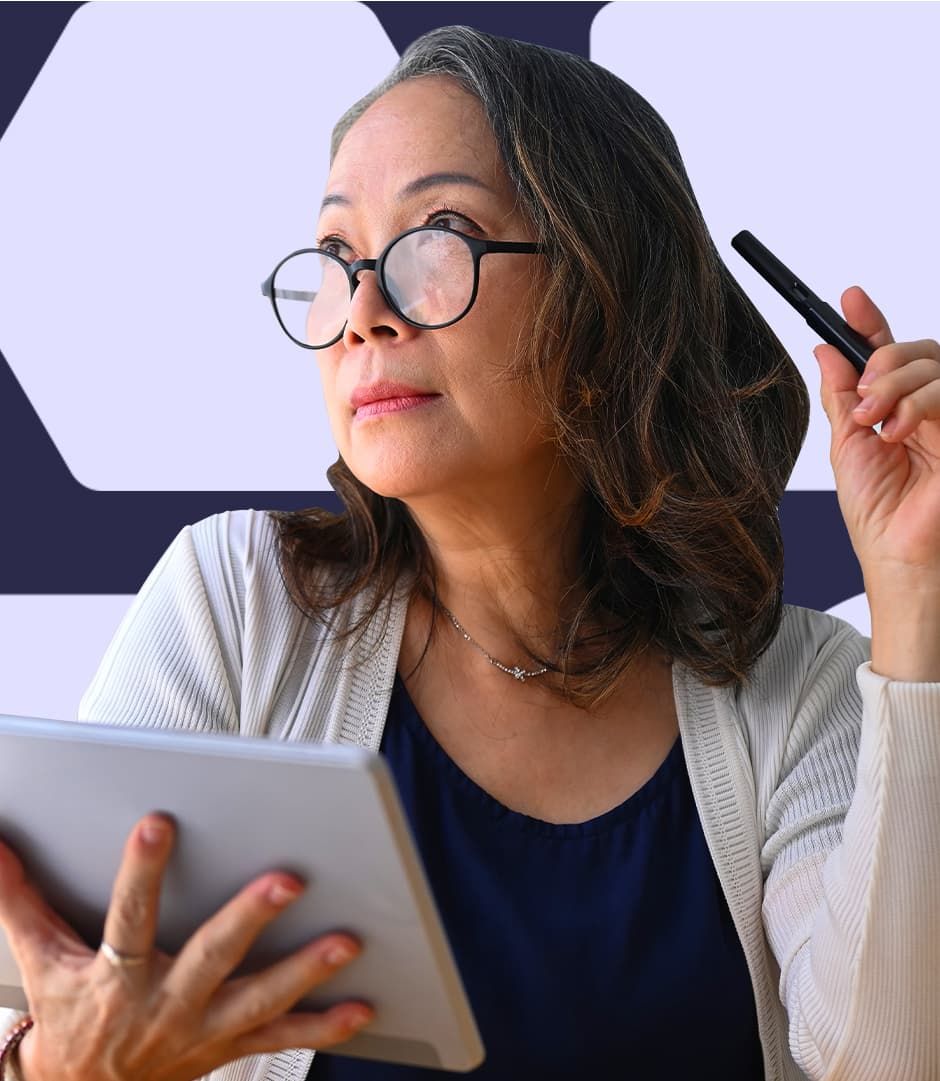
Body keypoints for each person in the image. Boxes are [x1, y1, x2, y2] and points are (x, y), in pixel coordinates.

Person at [1, 23, 939, 1081]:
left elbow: (886, 1064)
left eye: (438, 235)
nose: (362, 312)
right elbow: (62, 1005)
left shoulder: (795, 685)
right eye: (339, 256)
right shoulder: (239, 605)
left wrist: (913, 597)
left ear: (602, 293)